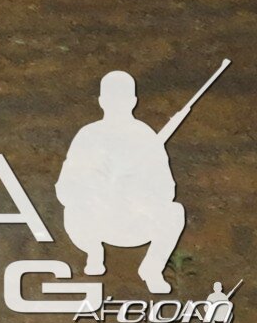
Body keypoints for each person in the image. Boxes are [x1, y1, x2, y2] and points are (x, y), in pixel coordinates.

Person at [58, 68, 193, 293]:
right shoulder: (88, 136)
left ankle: (152, 269)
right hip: (97, 220)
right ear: (101, 101)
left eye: (121, 99)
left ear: (133, 101)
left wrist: (136, 191)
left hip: (133, 221)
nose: (116, 104)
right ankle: (93, 252)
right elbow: (65, 189)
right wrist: (97, 189)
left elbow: (166, 190)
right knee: (72, 211)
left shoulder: (145, 136)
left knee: (174, 212)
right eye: (111, 99)